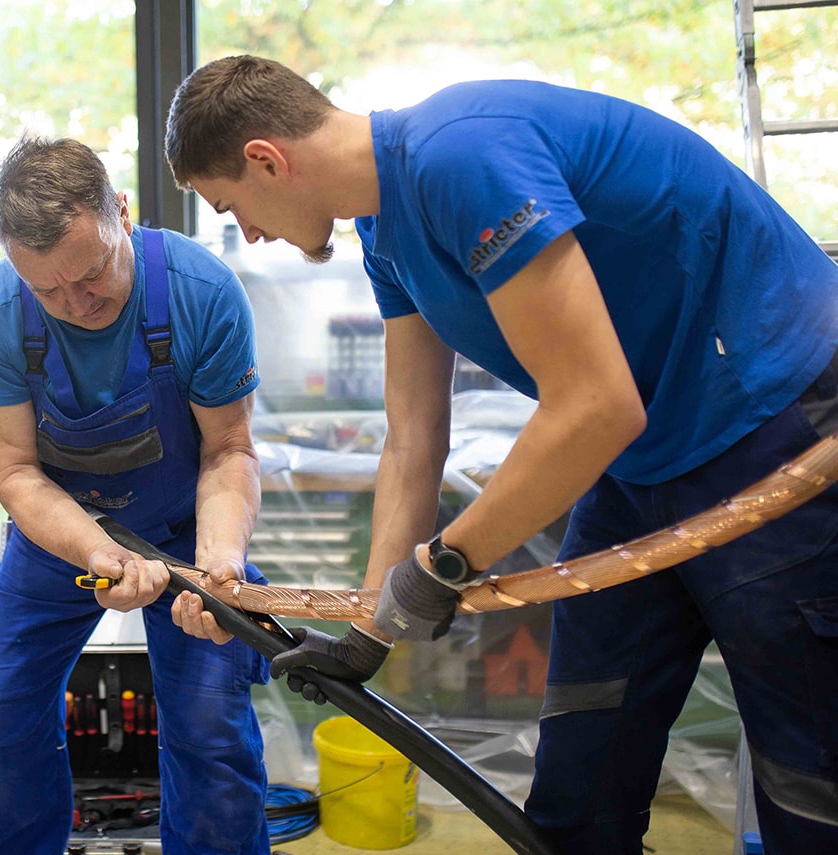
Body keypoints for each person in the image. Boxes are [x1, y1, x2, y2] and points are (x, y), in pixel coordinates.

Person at [164, 55, 838, 853]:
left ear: (266, 160)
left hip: (770, 424)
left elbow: (593, 404)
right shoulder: (384, 233)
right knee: (579, 768)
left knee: (810, 782)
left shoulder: (460, 154)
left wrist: (445, 562)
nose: (248, 234)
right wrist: (369, 628)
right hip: (642, 458)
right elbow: (413, 436)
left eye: (231, 206)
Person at [0, 135, 272, 855]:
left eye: (92, 273)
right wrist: (99, 552)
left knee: (209, 728)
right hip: (59, 530)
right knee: (3, 718)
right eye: (46, 289)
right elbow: (15, 475)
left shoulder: (201, 291)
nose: (74, 303)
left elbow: (227, 451)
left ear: (121, 213)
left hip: (190, 529)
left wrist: (219, 563)